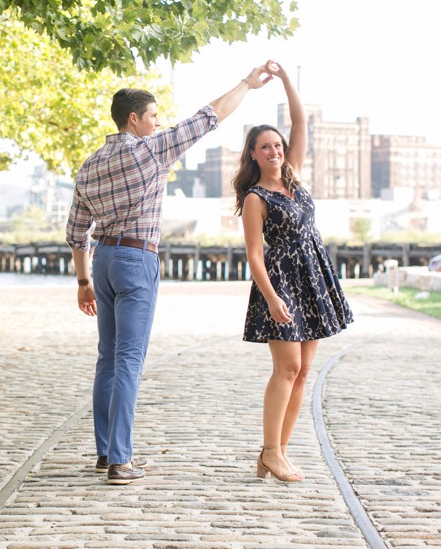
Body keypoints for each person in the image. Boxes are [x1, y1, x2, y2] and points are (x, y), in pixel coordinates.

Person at [66, 64, 273, 485]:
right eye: (154, 116)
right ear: (134, 120)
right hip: (136, 260)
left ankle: (106, 452)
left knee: (107, 359)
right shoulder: (151, 149)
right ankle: (121, 462)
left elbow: (75, 231)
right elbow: (209, 116)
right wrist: (246, 85)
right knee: (127, 360)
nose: (159, 122)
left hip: (102, 262)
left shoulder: (89, 166)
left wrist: (83, 282)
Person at [232, 60, 354, 483]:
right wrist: (270, 297)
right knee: (285, 369)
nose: (274, 151)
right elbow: (253, 255)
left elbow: (300, 121)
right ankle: (270, 450)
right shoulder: (255, 197)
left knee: (303, 371)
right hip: (281, 285)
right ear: (253, 154)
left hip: (313, 278)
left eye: (277, 145)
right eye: (265, 147)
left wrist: (285, 80)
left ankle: (279, 451)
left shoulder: (295, 176)